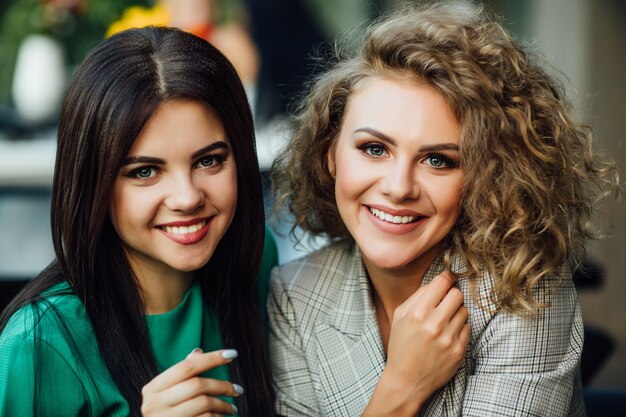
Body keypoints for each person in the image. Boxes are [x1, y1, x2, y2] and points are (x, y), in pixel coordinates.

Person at [268, 3, 619, 416]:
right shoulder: (295, 292)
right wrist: (402, 387)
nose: (398, 188)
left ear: (484, 177)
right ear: (331, 155)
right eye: (374, 149)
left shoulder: (524, 288)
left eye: (438, 160)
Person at [0, 26, 275, 416]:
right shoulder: (40, 343)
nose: (187, 197)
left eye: (209, 160)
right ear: (94, 182)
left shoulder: (256, 262)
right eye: (145, 171)